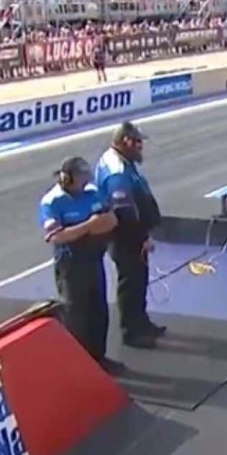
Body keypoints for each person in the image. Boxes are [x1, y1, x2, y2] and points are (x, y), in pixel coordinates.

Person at [39, 156, 124, 374]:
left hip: (93, 257)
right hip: (71, 264)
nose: (86, 181)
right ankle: (79, 365)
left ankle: (99, 358)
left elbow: (111, 220)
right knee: (76, 315)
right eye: (81, 177)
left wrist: (83, 229)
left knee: (98, 310)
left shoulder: (92, 192)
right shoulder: (53, 201)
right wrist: (89, 226)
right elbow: (56, 236)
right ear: (68, 178)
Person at [95, 121, 165, 349]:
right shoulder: (116, 171)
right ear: (125, 142)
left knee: (139, 277)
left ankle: (141, 321)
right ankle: (131, 331)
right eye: (137, 143)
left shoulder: (123, 161)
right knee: (131, 280)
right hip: (125, 236)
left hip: (131, 234)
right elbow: (124, 212)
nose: (141, 147)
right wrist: (142, 238)